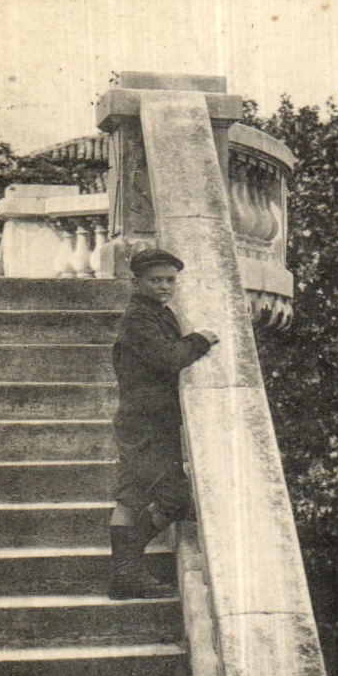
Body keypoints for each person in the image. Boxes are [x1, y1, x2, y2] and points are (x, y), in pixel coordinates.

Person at [107, 248, 220, 599]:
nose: (164, 286)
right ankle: (125, 572)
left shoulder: (156, 313)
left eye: (170, 280)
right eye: (156, 280)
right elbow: (168, 359)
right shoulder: (139, 319)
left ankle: (124, 574)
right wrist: (200, 340)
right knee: (171, 498)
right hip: (146, 424)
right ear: (136, 282)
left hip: (149, 420)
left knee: (133, 495)